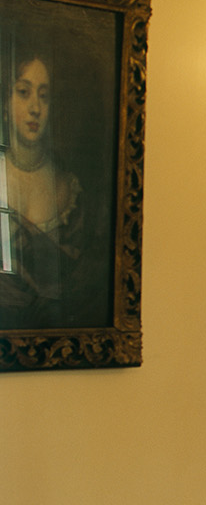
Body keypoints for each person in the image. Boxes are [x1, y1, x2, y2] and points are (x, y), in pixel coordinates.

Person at [0, 45, 109, 329]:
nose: (35, 107)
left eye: (44, 96)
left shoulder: (70, 189)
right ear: (4, 104)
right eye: (23, 92)